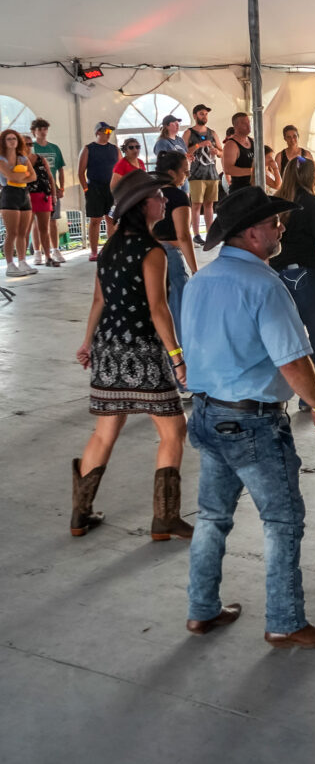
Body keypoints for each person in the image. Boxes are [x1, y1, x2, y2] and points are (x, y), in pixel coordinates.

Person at [180, 186, 315, 648]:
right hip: (253, 422)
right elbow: (293, 359)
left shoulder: (200, 282)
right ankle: (285, 621)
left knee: (212, 517)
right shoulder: (265, 286)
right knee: (283, 520)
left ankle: (201, 608)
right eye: (273, 224)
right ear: (251, 233)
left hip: (209, 412)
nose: (279, 229)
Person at [70, 172, 191, 542]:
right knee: (173, 429)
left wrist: (88, 342)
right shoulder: (152, 251)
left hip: (109, 348)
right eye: (158, 196)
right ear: (143, 206)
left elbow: (99, 301)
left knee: (105, 431)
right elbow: (158, 309)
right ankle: (165, 518)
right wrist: (177, 356)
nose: (165, 201)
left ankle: (80, 513)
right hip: (142, 351)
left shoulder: (108, 248)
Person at [270, 156, 315, 410]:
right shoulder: (313, 204)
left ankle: (276, 395)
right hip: (308, 275)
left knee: (286, 337)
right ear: (308, 177)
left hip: (279, 275)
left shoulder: (277, 203)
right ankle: (312, 396)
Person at [150, 151, 199, 345]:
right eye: (184, 172)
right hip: (170, 257)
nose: (185, 177)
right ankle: (179, 363)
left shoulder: (147, 194)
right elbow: (183, 236)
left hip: (147, 256)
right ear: (171, 173)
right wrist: (195, 269)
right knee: (177, 315)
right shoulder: (177, 197)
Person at [77, 121, 119, 260]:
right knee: (95, 220)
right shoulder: (88, 149)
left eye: (109, 131)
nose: (108, 134)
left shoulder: (115, 149)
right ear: (97, 133)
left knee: (111, 219)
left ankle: (111, 249)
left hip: (111, 189)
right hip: (94, 188)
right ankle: (94, 251)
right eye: (105, 131)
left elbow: (120, 169)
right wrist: (86, 189)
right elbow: (81, 171)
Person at [28, 118, 67, 267]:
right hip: (35, 189)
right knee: (36, 223)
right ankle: (37, 252)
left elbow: (60, 169)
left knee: (53, 221)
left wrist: (60, 187)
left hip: (51, 188)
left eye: (45, 129)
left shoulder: (54, 148)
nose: (43, 132)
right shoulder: (32, 148)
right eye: (39, 129)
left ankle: (55, 249)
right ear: (34, 131)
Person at [1, 128, 35, 276]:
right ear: (3, 141)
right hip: (9, 194)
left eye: (14, 139)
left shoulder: (23, 158)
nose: (12, 141)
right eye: (9, 139)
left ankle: (22, 261)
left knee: (23, 232)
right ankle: (10, 264)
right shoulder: (1, 159)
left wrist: (19, 175)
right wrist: (23, 174)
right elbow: (10, 177)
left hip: (23, 194)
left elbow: (33, 177)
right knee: (12, 232)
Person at [185, 105, 222, 242]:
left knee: (209, 205)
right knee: (196, 205)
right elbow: (183, 152)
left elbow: (221, 152)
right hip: (196, 175)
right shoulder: (189, 133)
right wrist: (198, 146)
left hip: (212, 174)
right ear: (194, 116)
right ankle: (196, 235)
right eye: (201, 114)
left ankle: (210, 233)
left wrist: (216, 152)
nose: (204, 116)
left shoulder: (212, 133)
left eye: (206, 114)